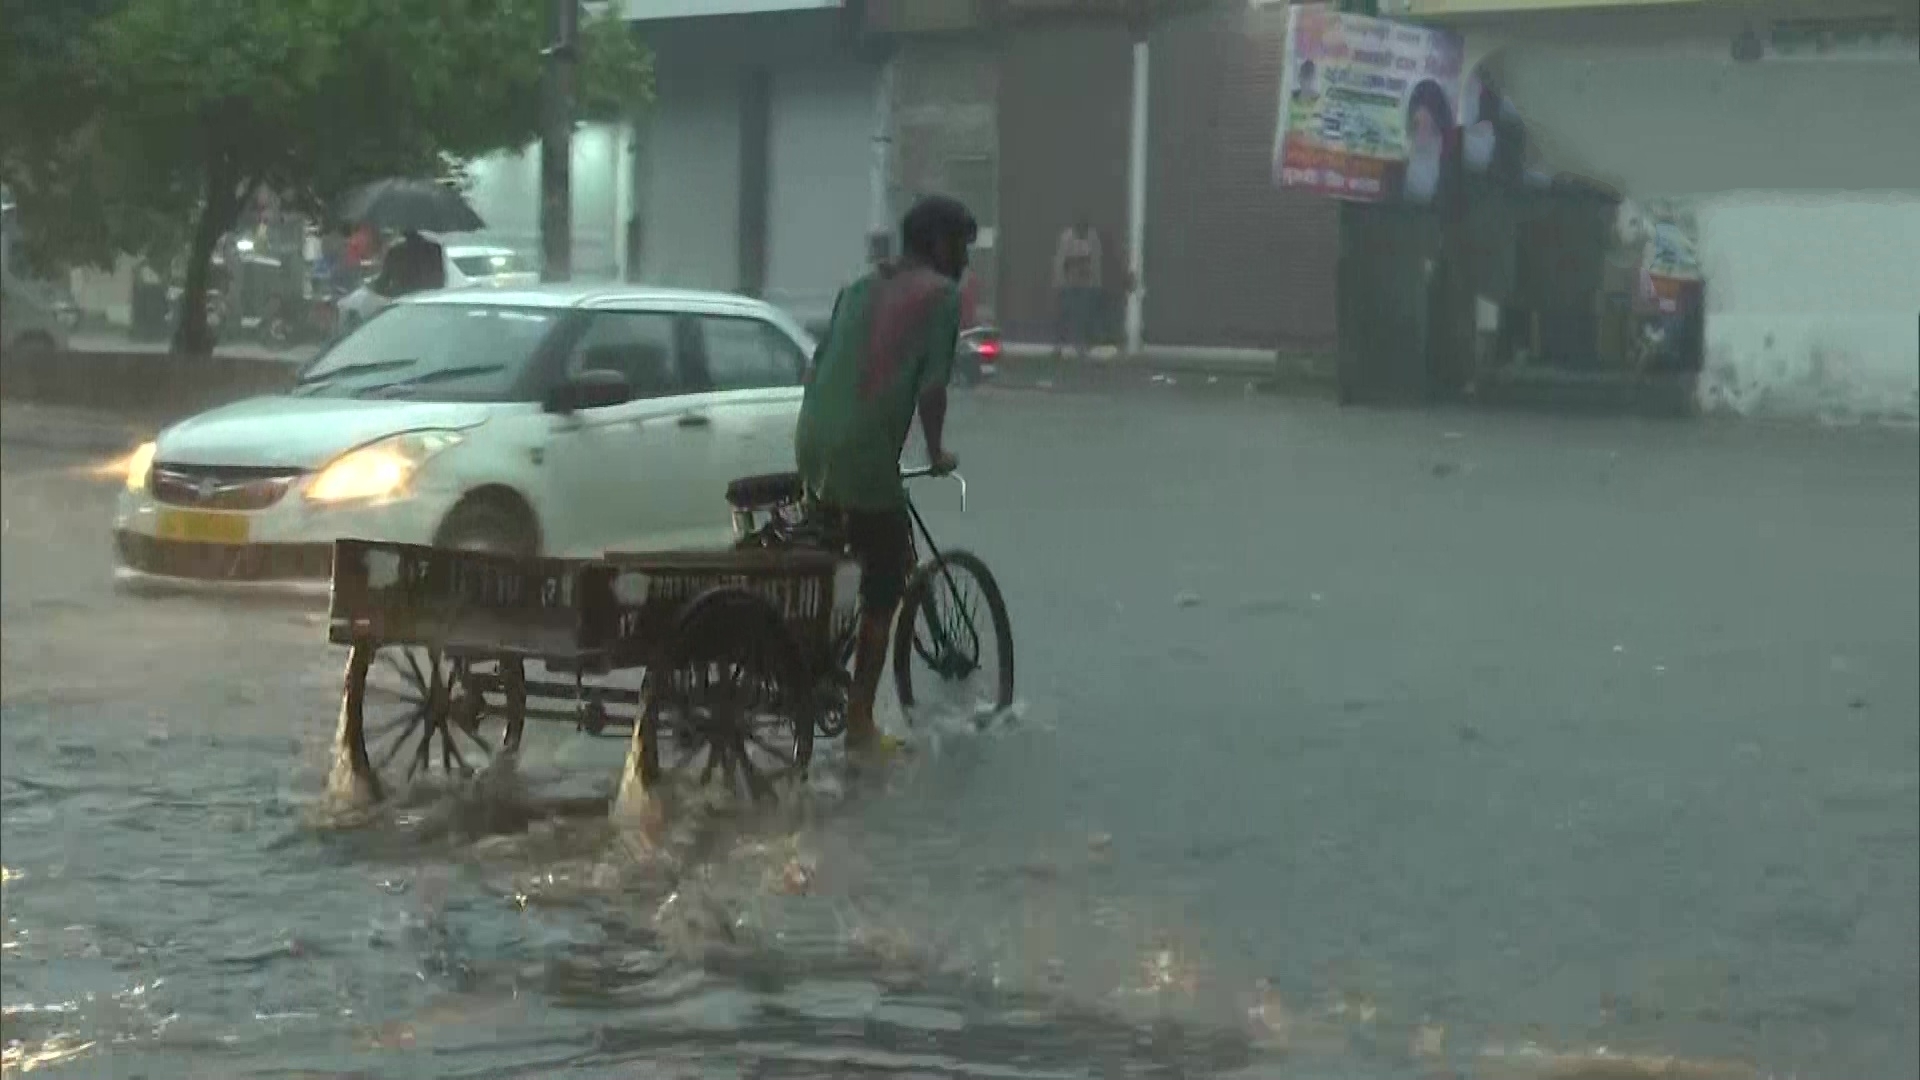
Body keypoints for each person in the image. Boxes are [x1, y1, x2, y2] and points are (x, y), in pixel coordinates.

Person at [795, 195, 975, 758]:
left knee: (827, 556)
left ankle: (813, 664)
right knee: (887, 576)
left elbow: (816, 367)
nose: (966, 259)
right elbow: (932, 388)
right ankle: (859, 723)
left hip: (813, 442)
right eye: (963, 247)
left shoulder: (858, 285)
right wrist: (938, 449)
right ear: (942, 245)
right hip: (865, 457)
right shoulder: (940, 297)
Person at [1051, 216, 1102, 357]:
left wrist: (1094, 282)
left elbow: (1095, 262)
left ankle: (1080, 345)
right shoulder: (1067, 238)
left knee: (1082, 316)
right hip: (1067, 283)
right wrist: (1060, 282)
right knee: (1063, 316)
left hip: (1085, 284)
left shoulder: (1092, 238)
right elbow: (1061, 262)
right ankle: (1058, 346)